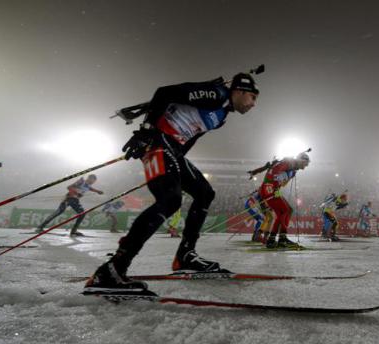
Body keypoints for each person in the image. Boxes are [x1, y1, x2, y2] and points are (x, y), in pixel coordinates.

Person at [85, 71, 259, 292]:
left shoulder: (222, 114)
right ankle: (112, 269)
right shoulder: (216, 94)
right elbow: (165, 92)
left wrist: (175, 164)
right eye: (253, 97)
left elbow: (191, 136)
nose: (254, 104)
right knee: (170, 200)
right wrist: (146, 132)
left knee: (204, 192)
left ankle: (186, 255)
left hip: (172, 150)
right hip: (159, 141)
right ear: (240, 90)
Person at [258, 152, 310, 248]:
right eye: (305, 164)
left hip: (271, 188)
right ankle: (280, 238)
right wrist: (275, 185)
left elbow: (283, 182)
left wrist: (284, 179)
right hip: (270, 188)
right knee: (285, 210)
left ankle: (275, 239)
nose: (305, 167)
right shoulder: (289, 163)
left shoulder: (292, 168)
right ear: (301, 160)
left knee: (288, 210)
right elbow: (274, 172)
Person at [37, 174, 103, 236]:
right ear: (89, 178)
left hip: (75, 201)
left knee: (82, 213)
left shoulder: (88, 185)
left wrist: (98, 191)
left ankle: (74, 231)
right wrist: (76, 193)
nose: (93, 182)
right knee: (59, 212)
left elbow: (90, 188)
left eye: (94, 181)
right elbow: (69, 187)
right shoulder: (81, 181)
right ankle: (40, 227)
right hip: (68, 199)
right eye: (93, 181)